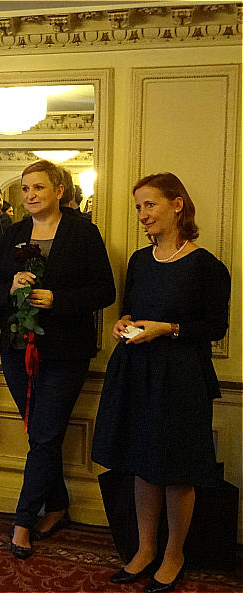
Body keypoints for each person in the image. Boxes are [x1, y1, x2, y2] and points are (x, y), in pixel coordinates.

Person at [92, 173, 230, 592]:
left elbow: (214, 327)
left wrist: (166, 327)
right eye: (138, 207)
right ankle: (145, 548)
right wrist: (125, 324)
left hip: (182, 377)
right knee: (141, 464)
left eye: (149, 205)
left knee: (177, 470)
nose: (142, 215)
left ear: (177, 205)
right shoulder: (137, 260)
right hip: (136, 371)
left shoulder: (207, 265)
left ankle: (174, 554)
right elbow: (133, 311)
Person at [0, 159, 115, 559]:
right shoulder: (13, 233)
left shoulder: (82, 232)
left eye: (38, 188)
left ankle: (22, 522)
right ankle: (57, 504)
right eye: (25, 189)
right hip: (16, 348)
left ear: (59, 190)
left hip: (64, 352)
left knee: (44, 433)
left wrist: (59, 300)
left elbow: (105, 291)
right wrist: (10, 287)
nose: (30, 196)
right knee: (41, 434)